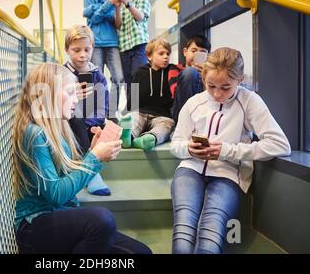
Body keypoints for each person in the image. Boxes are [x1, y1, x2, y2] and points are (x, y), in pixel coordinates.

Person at [11, 63, 152, 254]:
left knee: (142, 252)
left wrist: (93, 153)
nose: (76, 100)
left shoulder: (60, 127)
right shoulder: (34, 134)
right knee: (102, 221)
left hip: (61, 217)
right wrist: (94, 158)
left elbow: (68, 177)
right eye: (70, 93)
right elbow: (56, 194)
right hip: (35, 226)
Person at [170, 47, 291, 254]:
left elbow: (280, 144)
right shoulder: (193, 103)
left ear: (240, 79)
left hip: (228, 176)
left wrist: (227, 151)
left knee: (209, 239)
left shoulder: (250, 101)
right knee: (182, 235)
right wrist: (189, 149)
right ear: (203, 77)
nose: (217, 94)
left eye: (226, 87)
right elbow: (176, 144)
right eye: (211, 86)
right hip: (190, 169)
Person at [64, 25, 111, 196]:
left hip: (91, 125)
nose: (82, 55)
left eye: (87, 49)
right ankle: (90, 173)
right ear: (67, 50)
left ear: (93, 48)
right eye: (76, 50)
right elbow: (55, 106)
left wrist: (95, 124)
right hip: (69, 124)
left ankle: (89, 160)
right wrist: (69, 91)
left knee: (109, 126)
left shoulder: (98, 76)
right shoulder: (62, 74)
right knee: (76, 120)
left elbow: (103, 106)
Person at [120, 38, 176, 151]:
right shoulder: (140, 72)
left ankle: (148, 139)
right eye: (161, 53)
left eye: (168, 54)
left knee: (166, 126)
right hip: (140, 112)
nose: (166, 56)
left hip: (162, 116)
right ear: (149, 56)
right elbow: (133, 97)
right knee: (134, 119)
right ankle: (128, 136)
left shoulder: (172, 71)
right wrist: (129, 113)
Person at [84, 0, 124, 111]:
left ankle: (112, 112)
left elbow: (117, 24)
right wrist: (108, 4)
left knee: (119, 79)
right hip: (96, 45)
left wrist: (116, 8)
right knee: (97, 79)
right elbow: (94, 19)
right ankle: (98, 111)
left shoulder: (114, 1)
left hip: (112, 44)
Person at [114, 0, 151, 110]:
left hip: (139, 44)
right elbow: (117, 25)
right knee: (128, 80)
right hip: (123, 47)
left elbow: (140, 17)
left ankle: (139, 109)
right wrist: (118, 8)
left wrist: (126, 2)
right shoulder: (118, 2)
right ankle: (132, 110)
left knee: (138, 77)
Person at [170, 34, 211, 123]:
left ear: (207, 56)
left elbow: (211, 95)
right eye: (194, 51)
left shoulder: (210, 73)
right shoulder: (175, 68)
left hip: (202, 112)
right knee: (190, 72)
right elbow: (174, 91)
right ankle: (187, 122)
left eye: (202, 52)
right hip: (181, 112)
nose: (197, 55)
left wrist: (205, 75)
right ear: (185, 52)